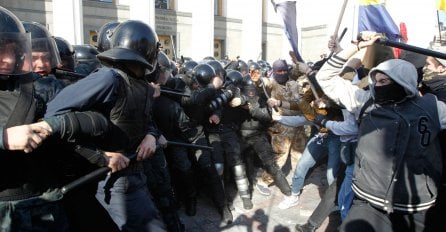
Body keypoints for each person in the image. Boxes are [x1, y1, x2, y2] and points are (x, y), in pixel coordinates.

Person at [316, 32, 446, 232]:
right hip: (369, 204)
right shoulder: (365, 102)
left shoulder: (432, 107)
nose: (377, 86)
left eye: (385, 81)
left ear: (403, 81)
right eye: (376, 81)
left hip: (416, 207)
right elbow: (324, 78)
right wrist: (357, 47)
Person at [44, 20, 166, 231]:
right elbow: (54, 115)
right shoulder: (109, 79)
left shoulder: (141, 84)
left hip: (135, 173)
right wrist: (101, 156)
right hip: (112, 180)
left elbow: (144, 121)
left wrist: (151, 135)